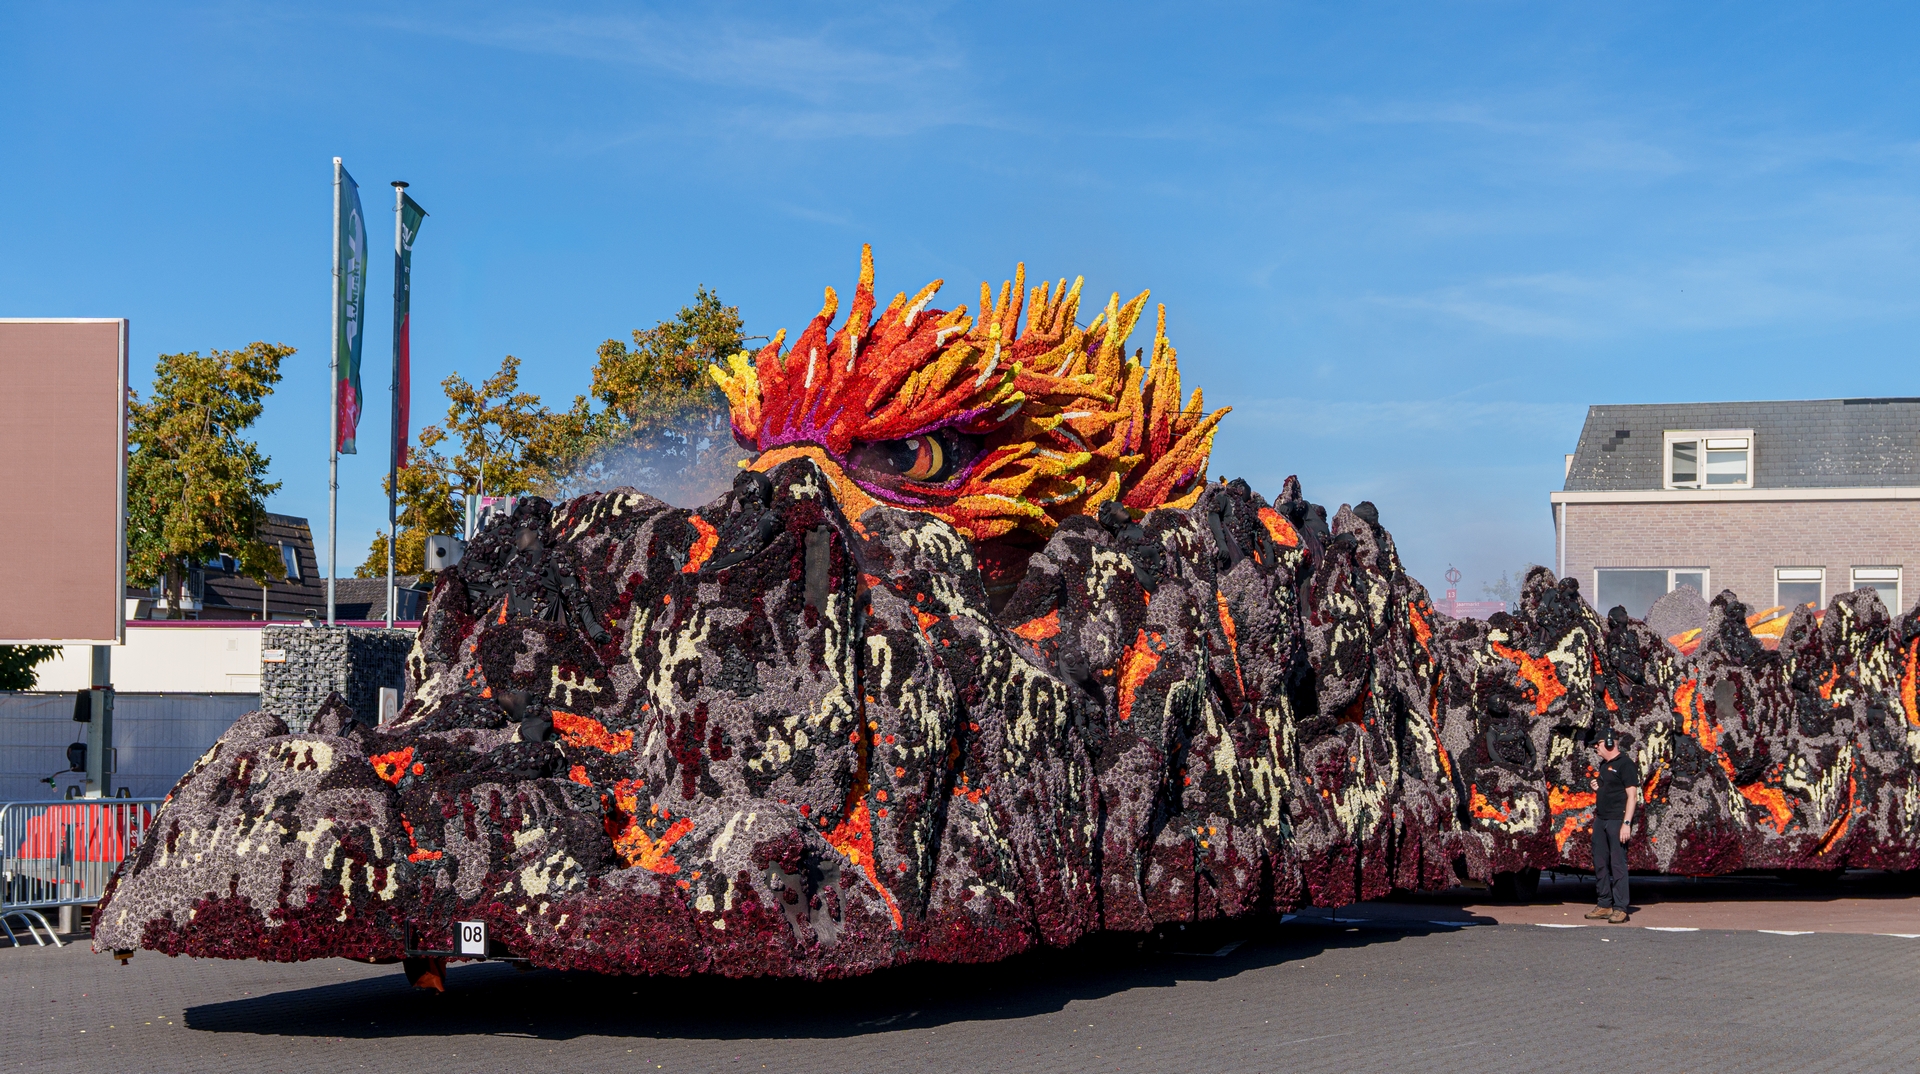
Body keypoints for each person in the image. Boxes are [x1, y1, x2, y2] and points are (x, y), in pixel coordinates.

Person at [1585, 728, 1640, 923]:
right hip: (1601, 819)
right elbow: (1608, 788)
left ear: (1608, 743)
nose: (1596, 748)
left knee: (1617, 864)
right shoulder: (1604, 765)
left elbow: (1632, 796)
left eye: (1598, 744)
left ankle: (1620, 907)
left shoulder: (1626, 765)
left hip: (1617, 820)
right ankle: (1604, 904)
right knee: (1600, 862)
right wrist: (1597, 787)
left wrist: (1627, 823)